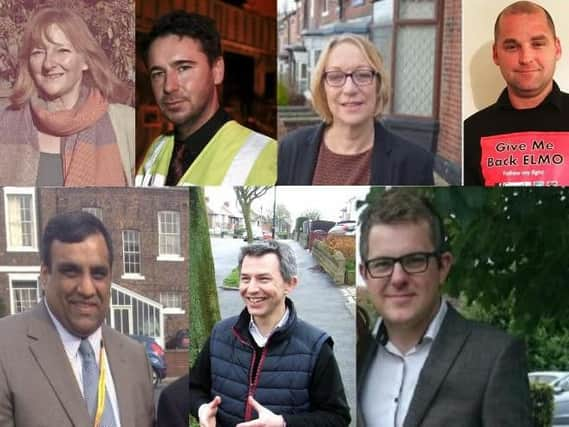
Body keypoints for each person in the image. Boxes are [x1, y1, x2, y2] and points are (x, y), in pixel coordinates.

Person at [357, 189, 531, 426]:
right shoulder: (355, 353)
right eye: (383, 264)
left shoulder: (494, 356)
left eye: (415, 260)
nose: (398, 278)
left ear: (443, 266)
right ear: (365, 274)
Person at [0, 211, 154, 427]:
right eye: (71, 272)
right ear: (45, 275)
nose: (87, 289)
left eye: (98, 274)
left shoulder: (135, 357)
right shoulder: (6, 349)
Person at [189, 241, 351, 427]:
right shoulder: (220, 334)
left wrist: (284, 423)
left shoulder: (316, 347)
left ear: (290, 284)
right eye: (245, 278)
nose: (251, 289)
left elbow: (337, 418)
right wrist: (202, 408)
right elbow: (193, 388)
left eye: (263, 279)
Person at [136, 10, 276, 186]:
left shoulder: (266, 156)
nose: (169, 86)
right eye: (158, 73)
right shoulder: (157, 150)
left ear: (217, 71)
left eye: (183, 68)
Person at [0, 7, 135, 186]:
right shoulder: (4, 121)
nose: (48, 64)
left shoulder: (126, 124)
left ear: (85, 61)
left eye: (62, 51)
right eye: (38, 52)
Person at [278, 34, 433, 185]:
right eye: (335, 76)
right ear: (322, 87)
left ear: (379, 85)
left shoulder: (415, 163)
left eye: (363, 75)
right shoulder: (290, 149)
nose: (349, 89)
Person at [464, 1, 569, 186]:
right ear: (496, 54)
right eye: (512, 47)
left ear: (557, 48)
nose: (526, 58)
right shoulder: (470, 132)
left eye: (537, 44)